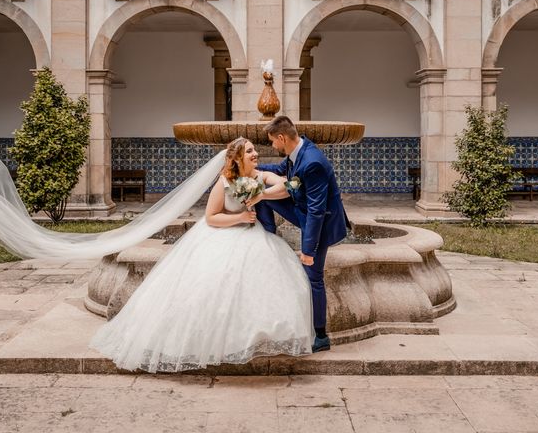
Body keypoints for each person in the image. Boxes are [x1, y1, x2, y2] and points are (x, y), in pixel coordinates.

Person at [90, 138, 315, 373]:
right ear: (238, 158)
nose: (256, 153)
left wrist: (262, 196)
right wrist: (239, 218)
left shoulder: (260, 176)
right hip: (223, 232)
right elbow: (211, 217)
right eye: (250, 151)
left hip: (253, 234)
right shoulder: (224, 181)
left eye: (254, 150)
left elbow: (288, 186)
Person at [247, 116, 348, 353]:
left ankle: (321, 336)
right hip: (301, 209)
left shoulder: (313, 163)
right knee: (260, 191)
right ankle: (268, 236)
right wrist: (252, 171)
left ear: (282, 138)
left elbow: (317, 211)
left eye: (272, 142)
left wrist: (308, 250)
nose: (272, 146)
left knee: (313, 277)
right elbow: (279, 169)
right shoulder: (297, 151)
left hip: (321, 223)